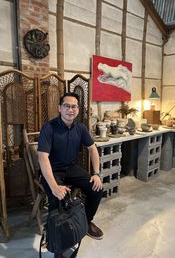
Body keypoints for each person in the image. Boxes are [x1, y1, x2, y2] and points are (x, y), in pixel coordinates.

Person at [38, 92, 103, 258]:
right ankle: (57, 244)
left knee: (96, 189)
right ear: (60, 108)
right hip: (52, 171)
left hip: (71, 168)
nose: (70, 109)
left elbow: (93, 149)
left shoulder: (80, 128)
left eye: (74, 106)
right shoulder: (49, 127)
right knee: (57, 199)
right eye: (66, 106)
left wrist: (96, 173)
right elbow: (43, 157)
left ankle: (85, 222)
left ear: (78, 110)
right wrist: (53, 186)